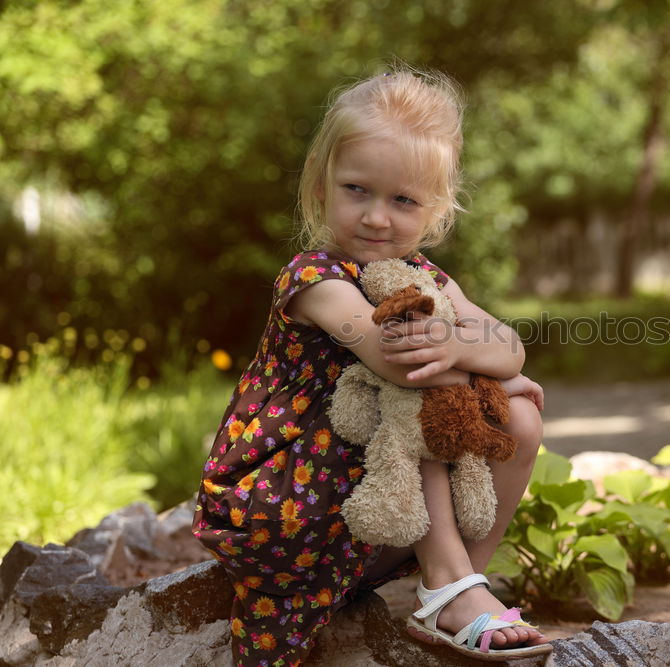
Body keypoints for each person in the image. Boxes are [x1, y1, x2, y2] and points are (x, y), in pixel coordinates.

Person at [191, 66, 551, 666]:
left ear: (434, 210)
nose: (377, 217)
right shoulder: (315, 281)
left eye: (403, 200)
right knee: (412, 407)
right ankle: (449, 585)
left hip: (365, 505)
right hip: (279, 501)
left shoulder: (429, 277)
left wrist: (472, 355)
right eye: (358, 190)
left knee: (520, 422)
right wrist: (494, 373)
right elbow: (397, 366)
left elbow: (509, 345)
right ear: (321, 187)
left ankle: (455, 589)